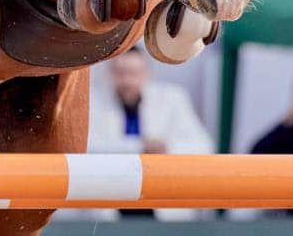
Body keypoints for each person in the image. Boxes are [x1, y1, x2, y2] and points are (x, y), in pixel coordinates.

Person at [88, 48, 212, 221]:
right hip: (111, 204)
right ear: (110, 74)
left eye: (133, 73)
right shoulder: (93, 102)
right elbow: (86, 148)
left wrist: (165, 147)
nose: (127, 81)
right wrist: (141, 147)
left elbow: (202, 146)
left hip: (160, 205)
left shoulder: (172, 99)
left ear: (147, 74)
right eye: (120, 73)